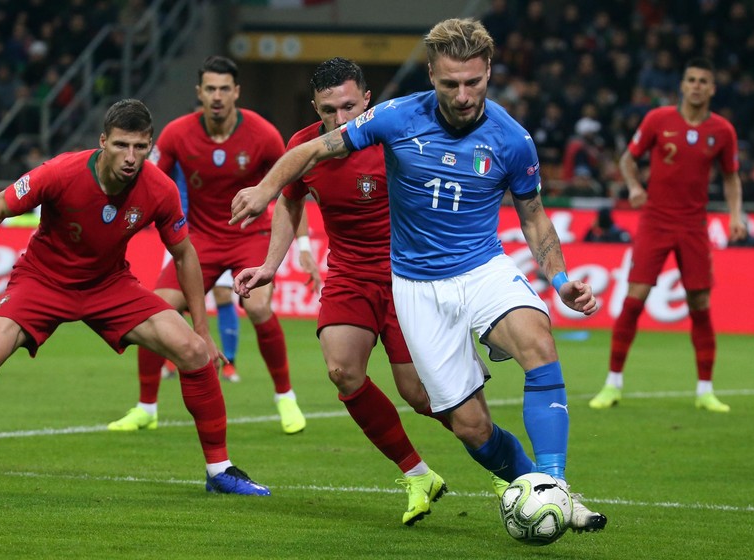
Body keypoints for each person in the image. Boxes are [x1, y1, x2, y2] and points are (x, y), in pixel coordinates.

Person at [231, 18, 607, 533]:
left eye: (473, 82)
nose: (463, 94)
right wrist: (264, 190)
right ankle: (512, 480)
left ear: (489, 72)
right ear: (430, 74)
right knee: (470, 425)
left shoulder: (512, 139)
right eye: (450, 82)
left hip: (482, 267)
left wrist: (561, 280)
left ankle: (557, 487)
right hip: (415, 287)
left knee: (538, 344)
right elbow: (312, 149)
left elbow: (534, 215)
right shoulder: (394, 119)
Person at [0, 99, 269, 495]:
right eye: (121, 145)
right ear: (103, 141)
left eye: (140, 147)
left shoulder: (159, 189)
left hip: (108, 285)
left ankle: (219, 470)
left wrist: (202, 329)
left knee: (191, 350)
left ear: (150, 145)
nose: (131, 157)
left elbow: (184, 253)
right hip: (42, 280)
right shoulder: (61, 172)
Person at [236, 57, 452, 526]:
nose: (340, 120)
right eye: (328, 110)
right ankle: (417, 474)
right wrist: (272, 265)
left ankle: (504, 465)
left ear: (369, 100)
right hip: (351, 275)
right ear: (316, 107)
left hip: (408, 277)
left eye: (349, 107)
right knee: (342, 370)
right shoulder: (304, 147)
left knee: (419, 394)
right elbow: (289, 205)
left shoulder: (398, 135)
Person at [108, 56, 310, 435]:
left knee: (260, 306)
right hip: (200, 239)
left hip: (251, 235)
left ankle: (286, 398)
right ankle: (146, 407)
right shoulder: (176, 134)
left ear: (236, 92)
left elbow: (292, 192)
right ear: (199, 92)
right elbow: (148, 181)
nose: (217, 96)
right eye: (210, 89)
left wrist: (304, 248)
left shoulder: (263, 135)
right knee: (155, 310)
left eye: (224, 89)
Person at [589, 57, 746, 413]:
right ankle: (612, 384)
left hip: (694, 226)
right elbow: (629, 159)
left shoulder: (722, 131)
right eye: (691, 79)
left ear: (712, 89)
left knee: (700, 305)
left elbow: (731, 177)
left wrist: (737, 215)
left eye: (703, 81)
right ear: (682, 85)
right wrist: (633, 186)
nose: (696, 86)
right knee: (635, 297)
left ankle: (705, 390)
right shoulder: (658, 120)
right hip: (656, 221)